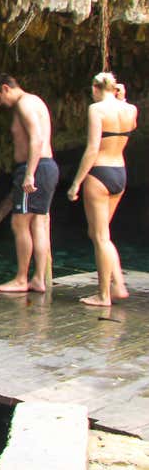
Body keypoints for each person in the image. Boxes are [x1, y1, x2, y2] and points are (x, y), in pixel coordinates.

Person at [67, 72, 138, 307]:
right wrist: (124, 100)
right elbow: (133, 126)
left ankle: (104, 295)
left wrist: (77, 182)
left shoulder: (96, 110)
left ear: (97, 88)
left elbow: (92, 149)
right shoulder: (130, 110)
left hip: (99, 173)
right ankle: (118, 285)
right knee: (100, 234)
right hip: (120, 173)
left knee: (99, 237)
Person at [0, 74, 59, 293]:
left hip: (34, 168)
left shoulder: (24, 104)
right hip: (46, 167)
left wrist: (29, 174)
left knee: (19, 224)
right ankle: (38, 279)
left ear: (6, 88)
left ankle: (21, 279)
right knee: (37, 224)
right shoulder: (36, 101)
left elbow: (36, 139)